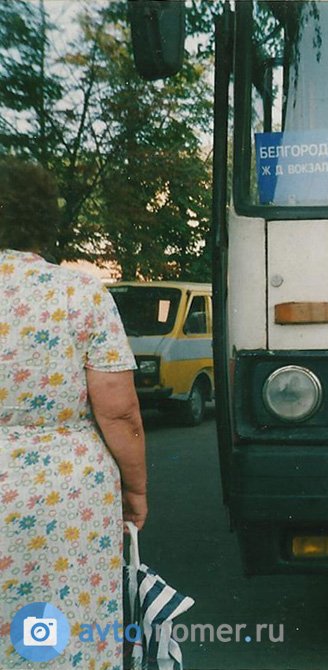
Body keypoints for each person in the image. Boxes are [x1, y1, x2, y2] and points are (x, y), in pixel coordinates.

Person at [0, 158, 147, 667]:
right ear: (42, 217)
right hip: (66, 494)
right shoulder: (80, 293)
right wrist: (136, 490)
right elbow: (119, 413)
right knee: (66, 626)